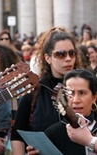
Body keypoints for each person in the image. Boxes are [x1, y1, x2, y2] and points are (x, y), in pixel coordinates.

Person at [11, 26, 82, 154]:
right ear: (48, 58)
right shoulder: (35, 91)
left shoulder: (87, 87)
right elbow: (17, 133)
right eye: (60, 54)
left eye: (72, 53)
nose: (68, 59)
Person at [27, 69, 97, 155]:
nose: (76, 100)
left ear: (94, 97)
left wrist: (90, 141)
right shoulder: (54, 133)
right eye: (70, 93)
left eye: (82, 93)